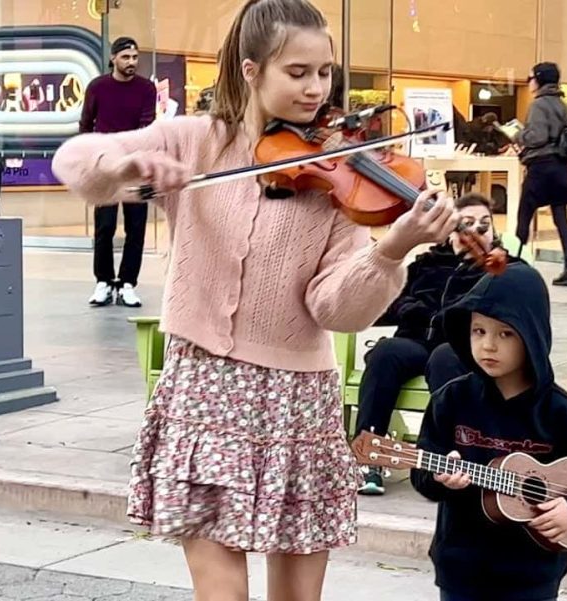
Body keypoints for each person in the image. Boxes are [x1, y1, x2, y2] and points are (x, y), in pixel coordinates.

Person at [51, 1, 458, 599]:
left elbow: (335, 311)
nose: (317, 89)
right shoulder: (196, 141)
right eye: (298, 73)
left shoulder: (339, 174)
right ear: (250, 70)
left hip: (297, 401)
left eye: (324, 72)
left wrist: (390, 249)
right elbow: (76, 161)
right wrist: (125, 163)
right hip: (206, 391)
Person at [411, 262, 567, 601]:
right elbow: (422, 471)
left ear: (531, 335)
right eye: (478, 331)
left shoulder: (561, 411)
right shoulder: (451, 400)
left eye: (506, 333)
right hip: (462, 570)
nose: (488, 345)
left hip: (533, 575)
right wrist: (438, 477)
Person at [356, 192, 507, 496]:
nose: (477, 231)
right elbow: (392, 302)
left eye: (484, 225)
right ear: (452, 231)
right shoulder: (427, 264)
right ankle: (368, 455)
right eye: (468, 225)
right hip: (415, 340)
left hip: (461, 348)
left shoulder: (501, 269)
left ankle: (446, 459)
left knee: (444, 357)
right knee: (387, 353)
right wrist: (412, 309)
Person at [79, 36, 157, 308]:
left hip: (135, 167)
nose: (131, 62)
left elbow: (147, 126)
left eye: (135, 57)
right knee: (105, 226)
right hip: (105, 167)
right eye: (126, 57)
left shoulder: (147, 89)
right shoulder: (98, 87)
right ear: (113, 58)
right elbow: (86, 124)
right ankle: (103, 281)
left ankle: (127, 284)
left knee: (136, 228)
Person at [515, 62, 567, 287]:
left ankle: (513, 264)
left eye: (530, 77)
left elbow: (537, 137)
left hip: (541, 166)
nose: (529, 82)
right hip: (561, 166)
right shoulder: (563, 105)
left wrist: (518, 135)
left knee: (525, 212)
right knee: (561, 217)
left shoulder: (538, 105)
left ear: (539, 79)